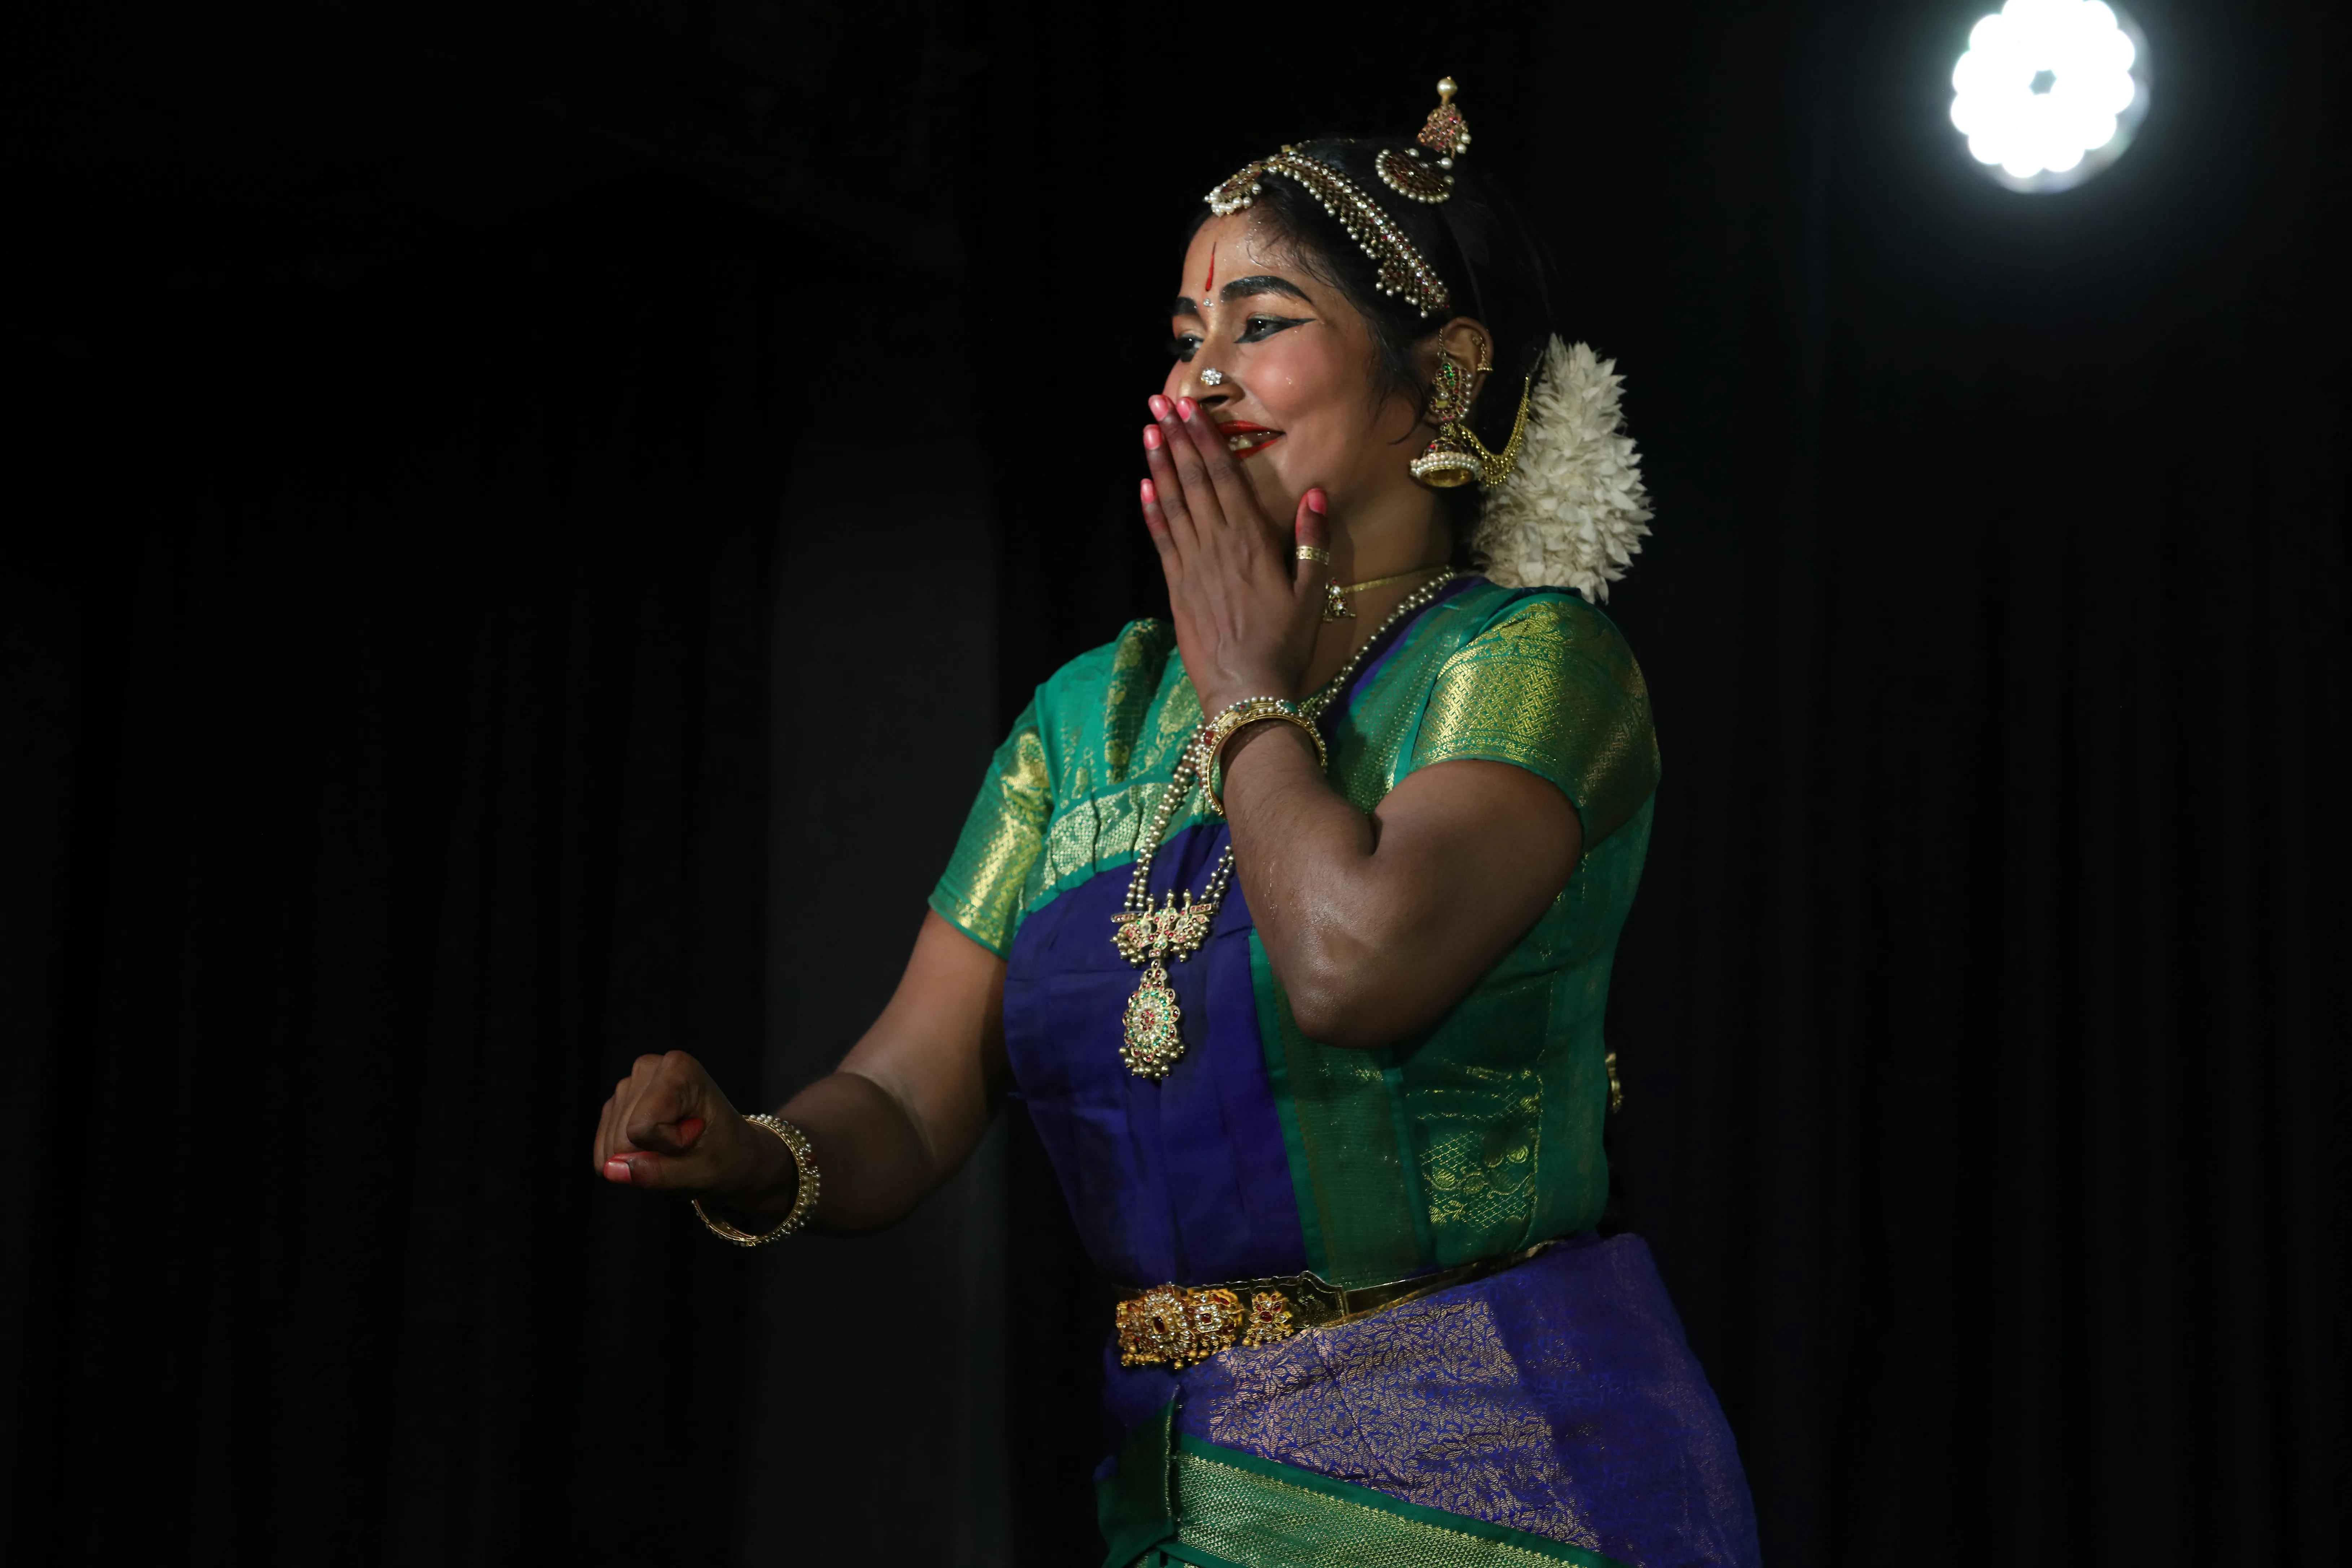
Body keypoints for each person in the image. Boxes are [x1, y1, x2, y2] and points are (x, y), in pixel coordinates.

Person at [591, 79, 1761, 1568]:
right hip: (1182, 1490)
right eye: (1182, 338)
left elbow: (1353, 964)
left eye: (1262, 325)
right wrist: (755, 1156)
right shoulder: (1084, 725)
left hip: (1504, 1490)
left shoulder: (1528, 666)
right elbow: (902, 1097)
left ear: (1445, 374)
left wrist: (1245, 685)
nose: (1201, 380)